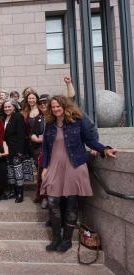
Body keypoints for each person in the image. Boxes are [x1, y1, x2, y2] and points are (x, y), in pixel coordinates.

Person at [41, 95, 116, 252]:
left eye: (58, 106)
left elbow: (90, 140)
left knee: (71, 203)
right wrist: (44, 167)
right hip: (54, 167)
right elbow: (46, 148)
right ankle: (56, 238)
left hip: (74, 166)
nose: (55, 109)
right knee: (53, 202)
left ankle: (67, 240)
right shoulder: (49, 124)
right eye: (53, 107)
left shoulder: (77, 121)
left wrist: (104, 149)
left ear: (65, 106)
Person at [2, 100, 26, 203]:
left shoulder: (18, 116)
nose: (7, 109)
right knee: (10, 171)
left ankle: (20, 193)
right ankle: (12, 191)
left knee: (18, 171)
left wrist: (20, 151)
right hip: (6, 149)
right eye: (5, 107)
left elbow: (21, 134)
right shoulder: (3, 118)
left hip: (16, 148)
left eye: (9, 107)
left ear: (14, 107)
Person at [31, 94, 49, 208]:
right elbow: (32, 134)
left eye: (45, 103)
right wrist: (37, 139)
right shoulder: (38, 118)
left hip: (54, 151)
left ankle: (49, 197)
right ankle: (43, 196)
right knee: (41, 175)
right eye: (41, 104)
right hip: (41, 150)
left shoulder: (55, 117)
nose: (43, 105)